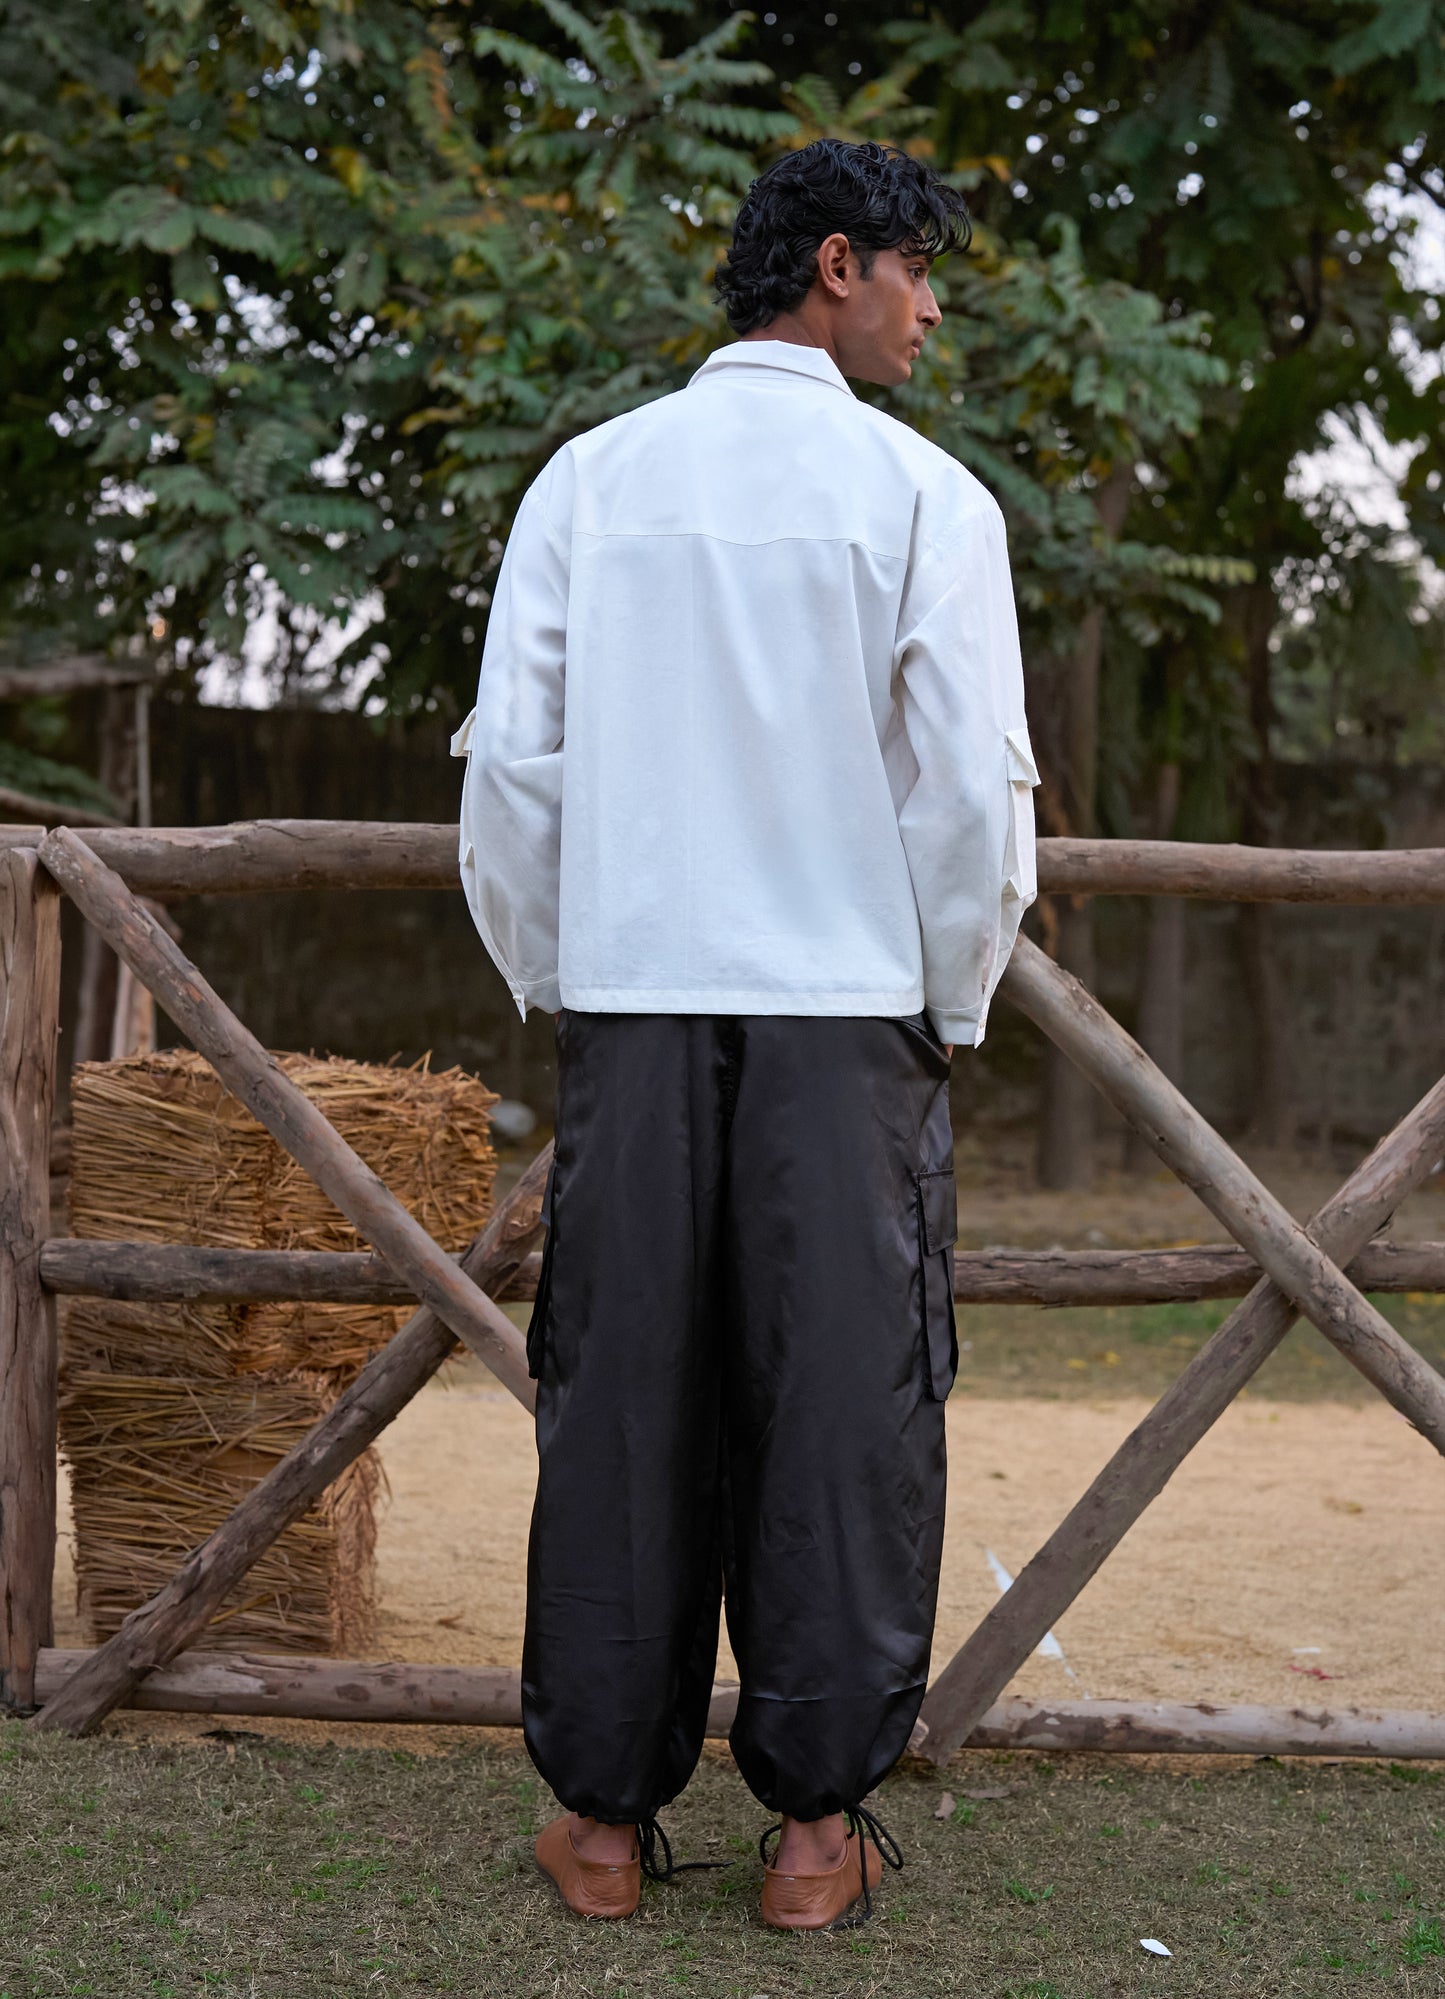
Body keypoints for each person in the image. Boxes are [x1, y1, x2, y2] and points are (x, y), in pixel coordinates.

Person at [453, 138, 1038, 1932]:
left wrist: (566, 973)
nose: (934, 309)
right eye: (920, 273)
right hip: (843, 1022)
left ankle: (607, 1836)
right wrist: (943, 997)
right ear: (836, 266)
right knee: (844, 1412)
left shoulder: (591, 480)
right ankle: (808, 1841)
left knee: (619, 1400)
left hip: (633, 1006)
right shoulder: (924, 499)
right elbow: (968, 800)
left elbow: (513, 771)